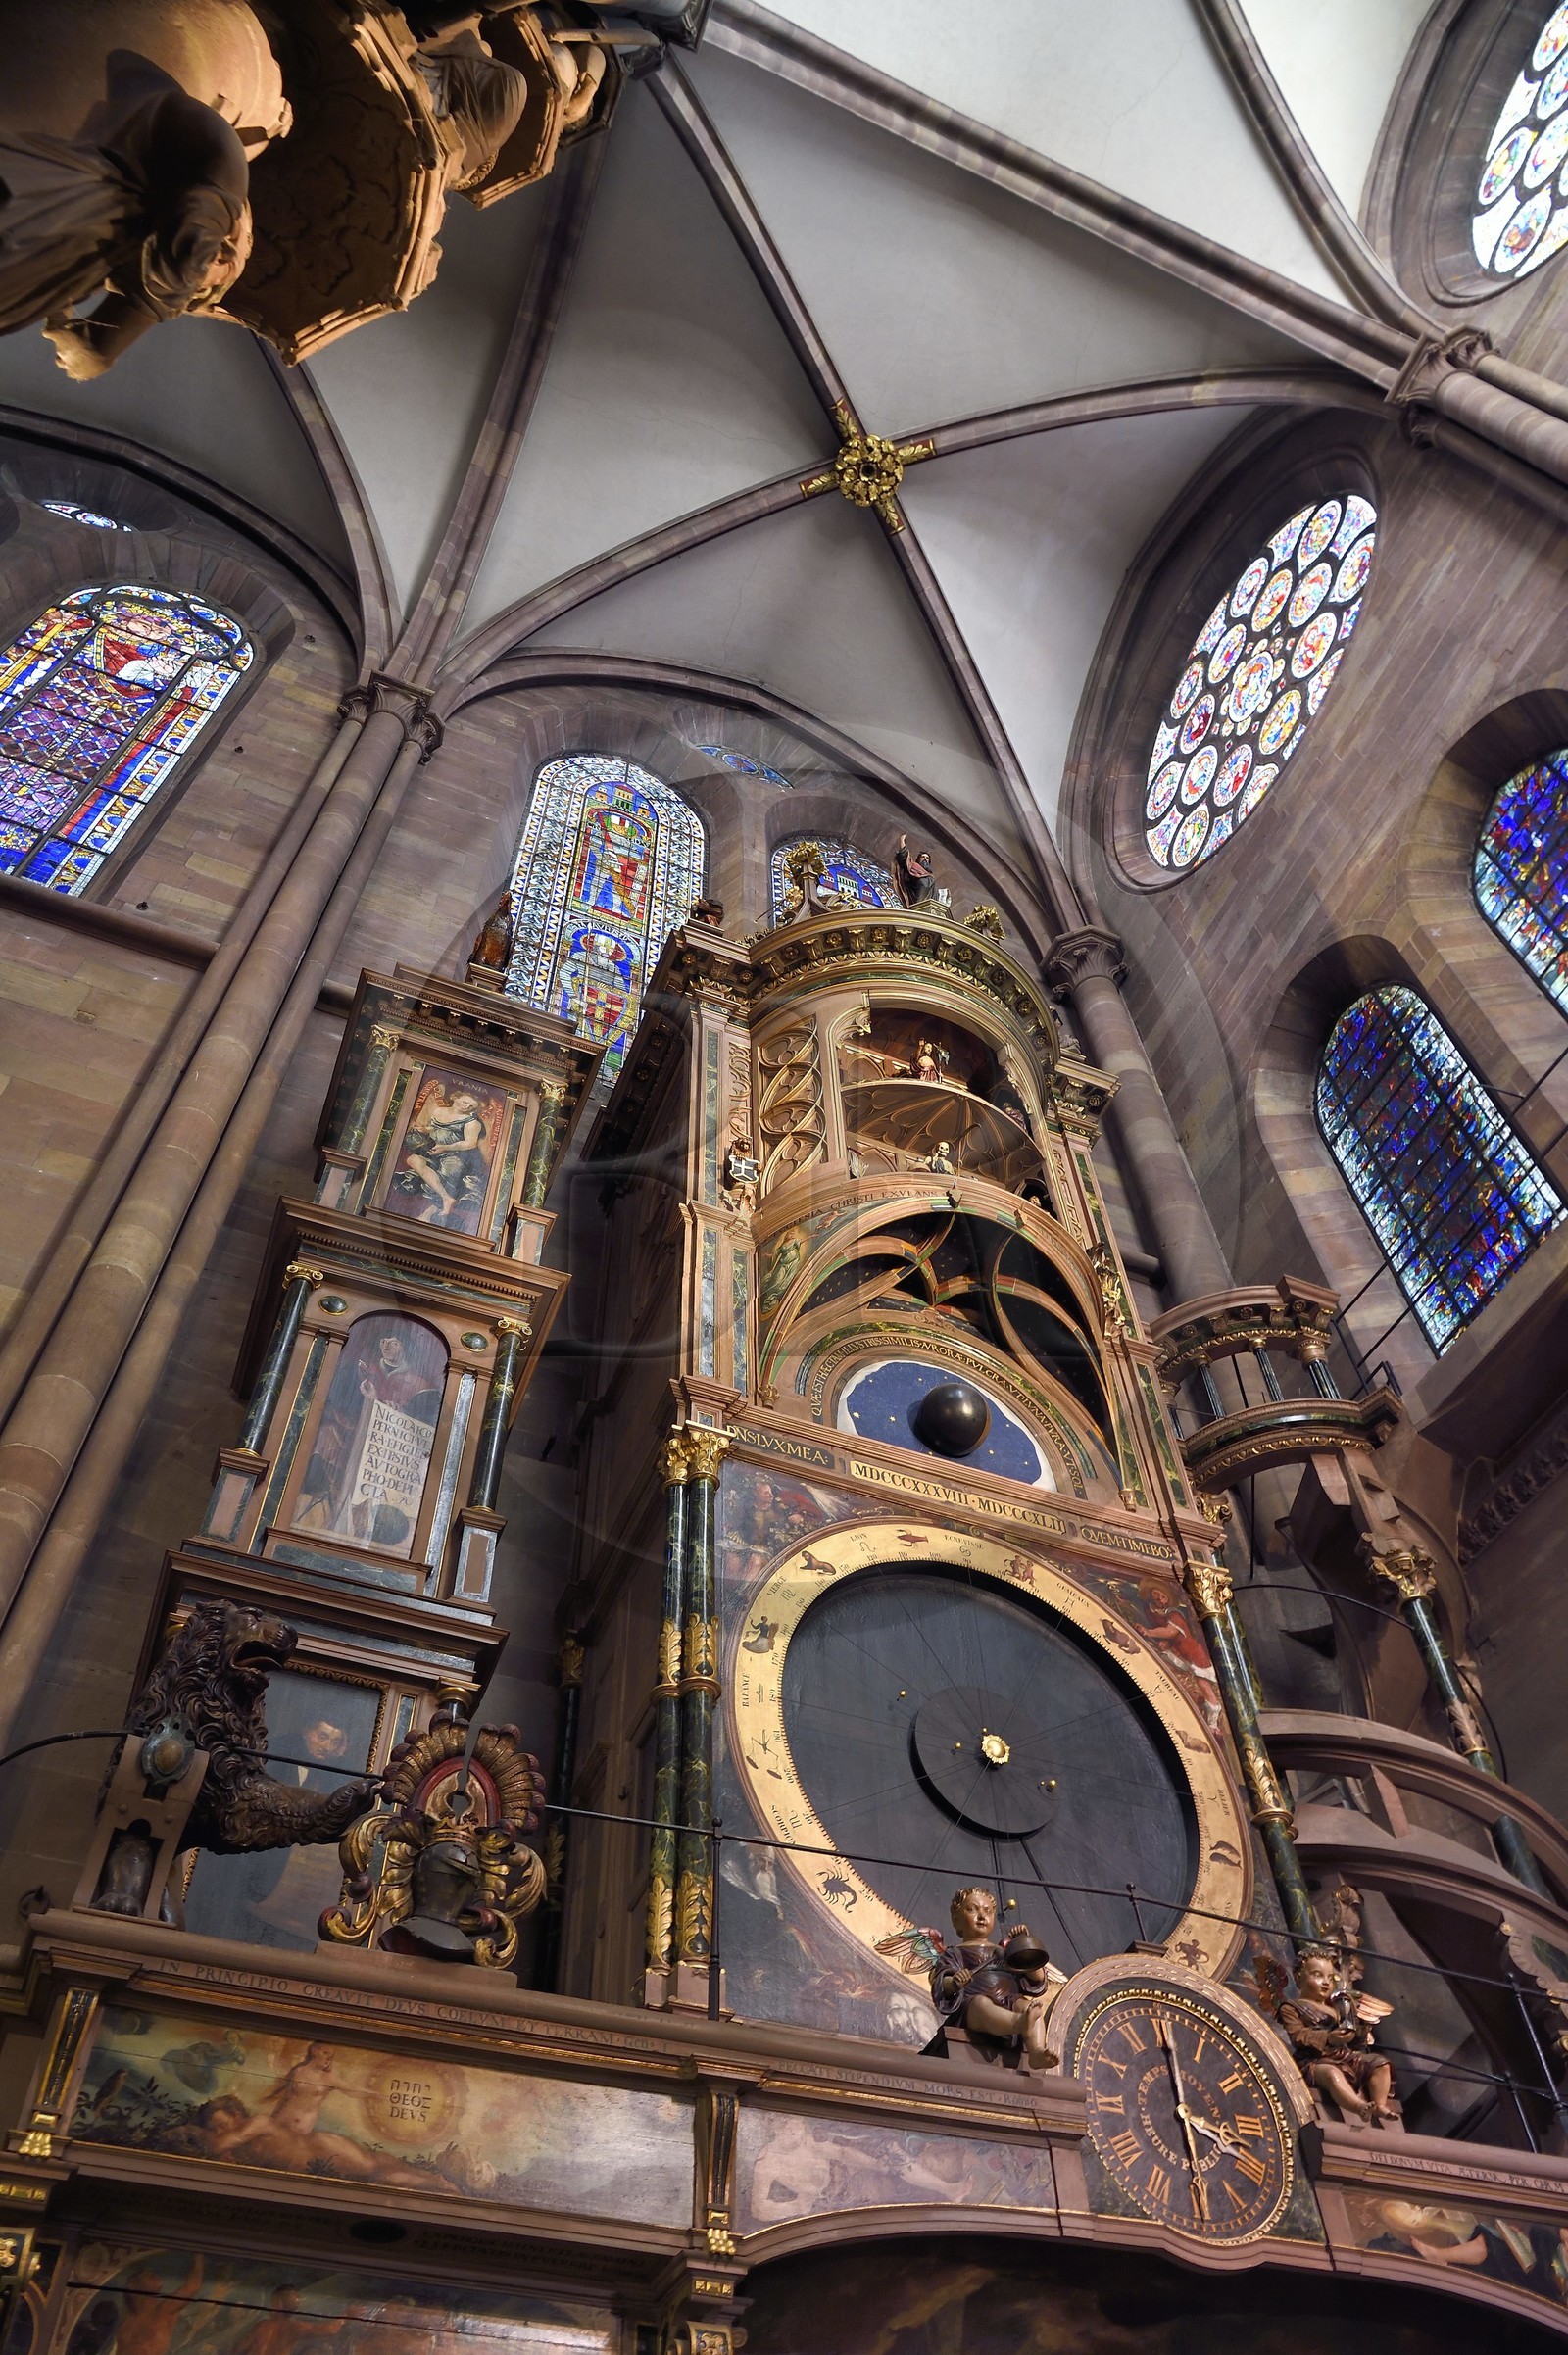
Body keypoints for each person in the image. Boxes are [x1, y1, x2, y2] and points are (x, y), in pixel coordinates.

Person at [933, 1888, 1065, 2071]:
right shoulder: (955, 1953)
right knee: (981, 2004)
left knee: (1030, 2006)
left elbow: (1036, 1979)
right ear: (957, 1920)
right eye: (972, 1909)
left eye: (987, 1911)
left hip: (1009, 2001)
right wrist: (954, 1981)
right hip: (974, 2006)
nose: (981, 1916)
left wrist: (1023, 1945)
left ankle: (1035, 2051)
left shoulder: (1004, 1953)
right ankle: (1020, 2023)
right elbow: (942, 1983)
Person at [1278, 1950, 1400, 2127]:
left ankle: (1379, 2104)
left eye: (1331, 1977)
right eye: (1318, 1975)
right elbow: (1298, 2035)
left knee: (1381, 2064)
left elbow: (1354, 2043)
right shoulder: (1292, 2008)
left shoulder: (1336, 2008)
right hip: (1316, 2060)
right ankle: (1360, 2107)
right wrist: (1327, 2038)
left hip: (1345, 2056)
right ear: (1298, 1977)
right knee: (1331, 2074)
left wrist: (1360, 2033)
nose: (1326, 1982)